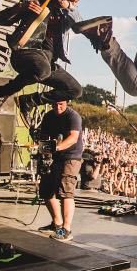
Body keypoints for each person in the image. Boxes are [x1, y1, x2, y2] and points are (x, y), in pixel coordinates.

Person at [0, 0, 85, 113]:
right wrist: (20, 7)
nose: (74, 4)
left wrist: (63, 1)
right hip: (25, 53)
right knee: (43, 70)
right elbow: (0, 20)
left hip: (47, 61)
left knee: (75, 90)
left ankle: (28, 101)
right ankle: (3, 92)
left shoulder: (67, 12)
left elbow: (79, 22)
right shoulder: (35, 2)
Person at [36, 99, 84, 241]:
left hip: (71, 156)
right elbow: (44, 136)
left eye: (61, 104)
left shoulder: (73, 116)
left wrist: (56, 147)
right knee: (46, 190)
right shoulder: (48, 116)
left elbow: (73, 137)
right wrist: (43, 147)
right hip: (53, 156)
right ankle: (57, 223)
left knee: (65, 192)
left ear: (67, 102)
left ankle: (66, 229)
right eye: (55, 104)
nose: (58, 106)